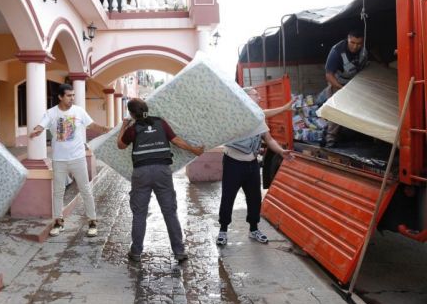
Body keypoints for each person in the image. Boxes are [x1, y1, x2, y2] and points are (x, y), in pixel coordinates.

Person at [117, 98, 204, 262]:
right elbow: (176, 141)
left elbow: (120, 145)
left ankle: (136, 252)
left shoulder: (133, 129)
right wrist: (194, 150)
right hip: (162, 172)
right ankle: (179, 251)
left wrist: (123, 126)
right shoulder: (161, 123)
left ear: (131, 114)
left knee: (139, 214)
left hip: (141, 173)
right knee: (170, 212)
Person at [29, 84, 110, 238]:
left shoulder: (79, 111)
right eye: (69, 96)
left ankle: (92, 221)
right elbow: (41, 125)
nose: (72, 98)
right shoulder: (51, 113)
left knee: (86, 190)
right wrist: (37, 130)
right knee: (58, 192)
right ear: (60, 97)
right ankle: (59, 222)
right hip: (59, 160)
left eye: (73, 95)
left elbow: (91, 125)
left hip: (78, 158)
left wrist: (105, 129)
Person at [216, 88, 294, 246]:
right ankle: (223, 230)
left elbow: (269, 139)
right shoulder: (235, 113)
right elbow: (261, 112)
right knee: (228, 197)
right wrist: (284, 108)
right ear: (245, 97)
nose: (259, 96)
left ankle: (254, 229)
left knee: (254, 199)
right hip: (233, 163)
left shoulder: (259, 117)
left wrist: (281, 151)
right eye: (255, 94)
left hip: (251, 164)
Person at [323, 29, 367, 148]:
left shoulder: (364, 50)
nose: (355, 46)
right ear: (348, 38)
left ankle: (361, 136)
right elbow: (329, 75)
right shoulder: (337, 51)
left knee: (360, 108)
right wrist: (341, 88)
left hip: (356, 83)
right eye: (352, 42)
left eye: (359, 44)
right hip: (338, 83)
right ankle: (330, 141)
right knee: (336, 112)